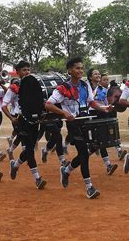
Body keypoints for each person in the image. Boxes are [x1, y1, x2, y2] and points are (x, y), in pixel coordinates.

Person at [45, 57, 114, 199]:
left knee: (90, 150)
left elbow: (91, 102)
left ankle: (66, 170)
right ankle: (89, 187)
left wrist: (103, 108)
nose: (81, 71)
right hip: (74, 124)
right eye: (77, 68)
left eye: (82, 68)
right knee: (84, 154)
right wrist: (64, 113)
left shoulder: (85, 85)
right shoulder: (63, 88)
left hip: (86, 121)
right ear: (70, 71)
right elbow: (48, 104)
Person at [9, 61, 47, 190]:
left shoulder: (32, 83)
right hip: (22, 121)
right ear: (18, 72)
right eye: (24, 70)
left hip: (33, 120)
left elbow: (38, 99)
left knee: (29, 148)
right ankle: (37, 178)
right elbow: (4, 104)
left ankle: (16, 165)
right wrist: (12, 117)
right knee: (30, 151)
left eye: (28, 70)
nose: (27, 72)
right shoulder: (14, 88)